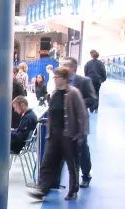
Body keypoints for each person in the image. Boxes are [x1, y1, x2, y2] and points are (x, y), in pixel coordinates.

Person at [29, 67, 88, 201]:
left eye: (57, 78)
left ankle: (73, 190)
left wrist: (80, 134)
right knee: (48, 162)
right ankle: (43, 189)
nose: (55, 80)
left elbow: (82, 115)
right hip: (54, 134)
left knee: (71, 163)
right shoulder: (54, 93)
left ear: (65, 79)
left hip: (69, 134)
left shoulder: (73, 93)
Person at [62, 56, 97, 188]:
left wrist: (76, 103)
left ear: (73, 68)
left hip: (79, 122)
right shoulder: (61, 81)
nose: (63, 67)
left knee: (82, 149)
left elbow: (93, 99)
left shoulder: (84, 81)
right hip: (64, 122)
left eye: (66, 65)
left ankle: (86, 175)